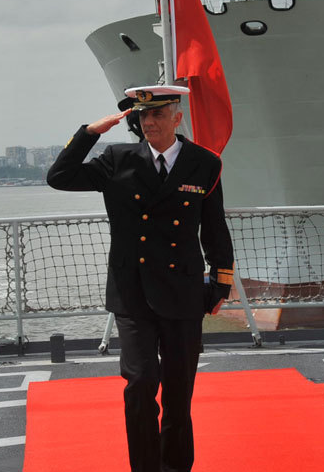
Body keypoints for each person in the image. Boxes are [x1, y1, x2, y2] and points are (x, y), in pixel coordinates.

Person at [47, 85, 234, 472]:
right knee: (140, 384)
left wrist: (221, 281)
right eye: (142, 116)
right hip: (132, 293)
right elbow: (59, 177)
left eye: (158, 115)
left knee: (179, 392)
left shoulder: (204, 163)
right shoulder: (117, 159)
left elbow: (214, 226)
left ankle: (176, 466)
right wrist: (89, 133)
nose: (148, 122)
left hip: (183, 292)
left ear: (177, 118)